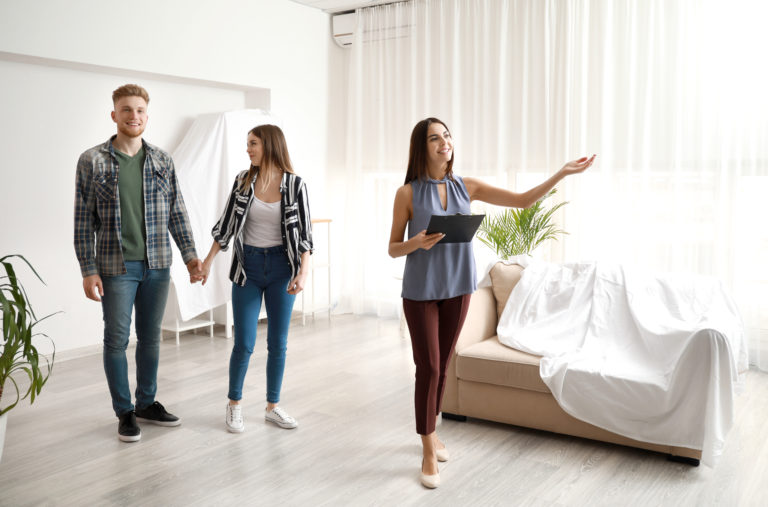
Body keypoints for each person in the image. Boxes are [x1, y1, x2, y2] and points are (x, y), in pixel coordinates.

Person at [388, 117, 595, 488]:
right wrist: (416, 242)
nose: (444, 142)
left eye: (447, 135)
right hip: (420, 293)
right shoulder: (407, 194)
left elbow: (522, 201)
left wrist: (562, 173)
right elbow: (392, 248)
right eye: (434, 138)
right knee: (429, 368)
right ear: (422, 148)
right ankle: (427, 449)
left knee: (444, 364)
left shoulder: (466, 186)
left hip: (459, 289)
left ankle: (431, 431)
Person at [74, 84, 204, 442]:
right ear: (114, 115)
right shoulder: (92, 160)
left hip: (158, 265)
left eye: (140, 110)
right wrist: (88, 269)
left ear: (147, 115)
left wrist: (190, 256)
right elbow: (83, 220)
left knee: (150, 339)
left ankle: (146, 403)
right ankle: (125, 411)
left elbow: (177, 212)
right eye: (127, 110)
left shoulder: (162, 160)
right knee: (116, 340)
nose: (134, 116)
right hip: (116, 267)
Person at [199, 124, 312, 433]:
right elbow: (225, 227)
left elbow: (305, 236)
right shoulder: (243, 181)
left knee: (278, 343)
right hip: (247, 268)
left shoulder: (295, 185)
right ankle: (234, 404)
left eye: (253, 144)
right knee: (244, 343)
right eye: (248, 144)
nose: (248, 149)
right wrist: (207, 263)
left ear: (270, 145)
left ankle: (273, 406)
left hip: (282, 269)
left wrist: (303, 273)